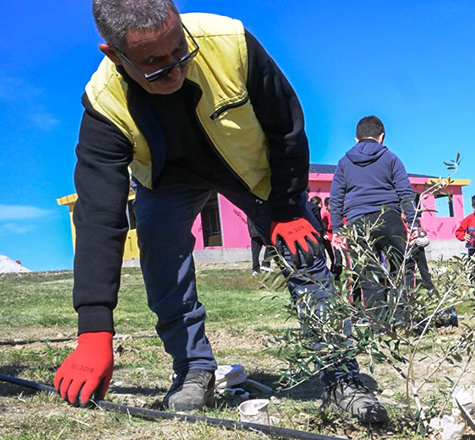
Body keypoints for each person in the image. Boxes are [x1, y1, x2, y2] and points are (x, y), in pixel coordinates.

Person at [54, 0, 386, 424]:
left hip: (251, 171)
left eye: (180, 50)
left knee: (304, 251)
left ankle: (341, 376)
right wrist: (94, 328)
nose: (175, 70)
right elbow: (99, 217)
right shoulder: (105, 105)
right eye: (154, 64)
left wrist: (287, 207)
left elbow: (286, 125)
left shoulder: (230, 42)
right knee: (160, 251)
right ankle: (193, 368)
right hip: (167, 178)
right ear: (115, 55)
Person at [329, 115, 416, 317]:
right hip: (389, 218)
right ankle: (402, 317)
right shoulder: (391, 158)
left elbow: (336, 197)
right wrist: (414, 223)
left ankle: (378, 322)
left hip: (357, 222)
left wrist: (337, 229)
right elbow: (405, 192)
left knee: (367, 273)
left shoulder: (344, 162)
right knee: (401, 267)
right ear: (381, 137)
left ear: (356, 139)